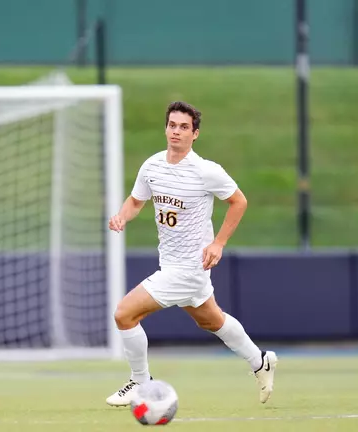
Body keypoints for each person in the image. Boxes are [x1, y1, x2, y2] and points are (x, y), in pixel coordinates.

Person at [105, 101, 277, 406]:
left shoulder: (206, 171)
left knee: (124, 313)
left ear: (195, 134)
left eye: (184, 127)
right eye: (172, 125)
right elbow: (135, 201)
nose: (176, 131)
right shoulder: (152, 166)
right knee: (212, 321)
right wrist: (121, 216)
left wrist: (219, 243)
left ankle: (141, 383)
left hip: (188, 268)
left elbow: (239, 201)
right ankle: (260, 360)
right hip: (172, 263)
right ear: (165, 128)